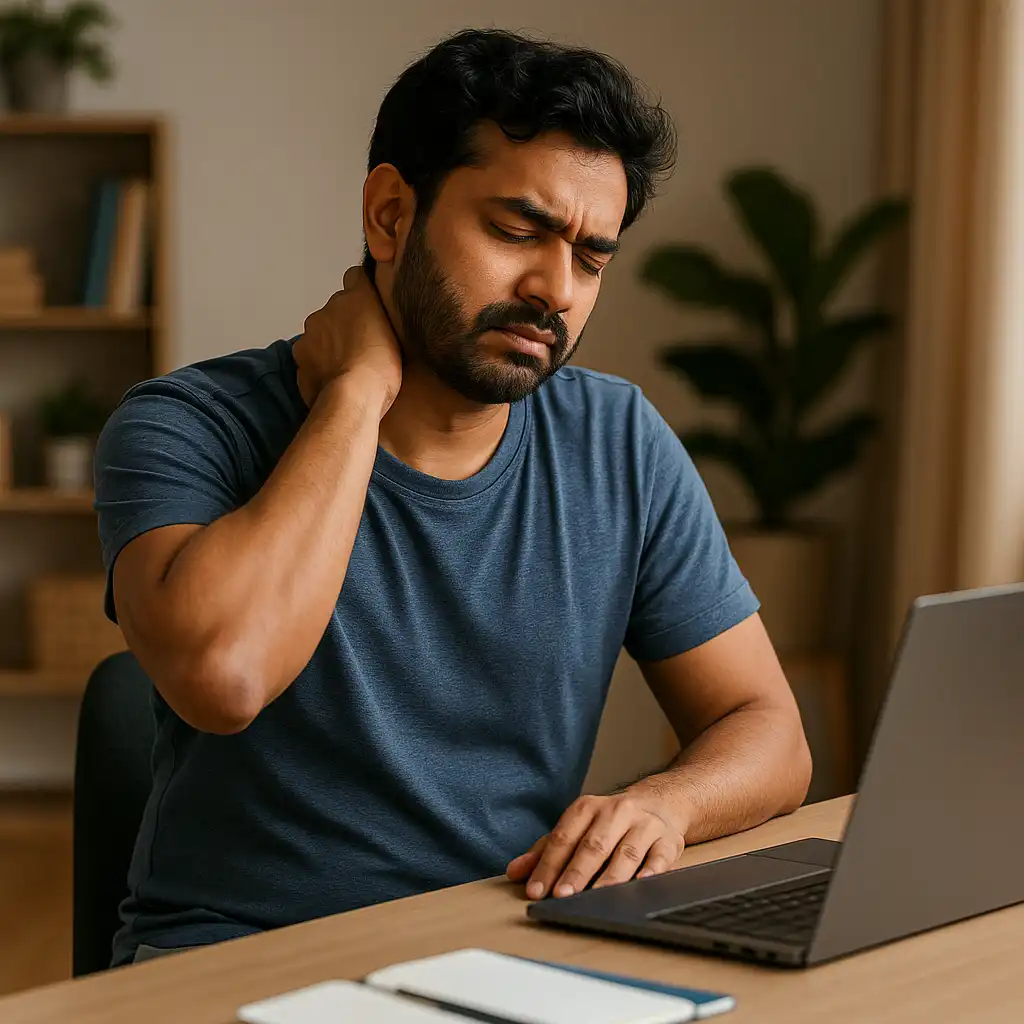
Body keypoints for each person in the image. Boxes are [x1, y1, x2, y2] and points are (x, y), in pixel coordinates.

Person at [96, 28, 811, 967]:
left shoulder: (618, 442)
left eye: (592, 259)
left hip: (501, 953)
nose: (555, 289)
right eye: (518, 231)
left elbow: (768, 731)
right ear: (391, 213)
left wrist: (660, 805)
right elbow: (223, 678)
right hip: (235, 961)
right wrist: (356, 393)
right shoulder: (186, 425)